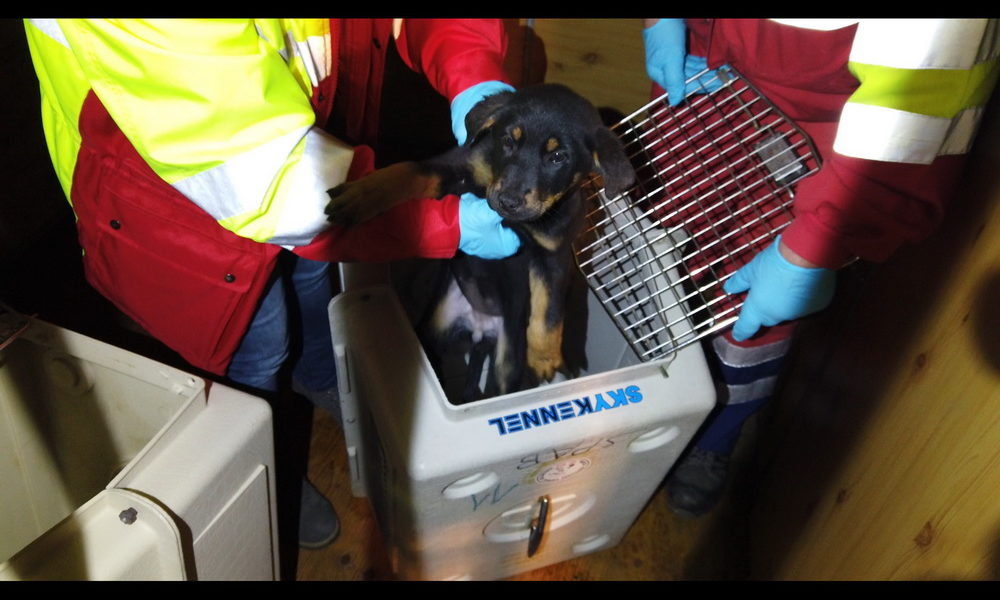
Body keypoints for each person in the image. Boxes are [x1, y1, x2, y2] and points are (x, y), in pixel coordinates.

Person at [23, 18, 520, 550]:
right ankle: (261, 459)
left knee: (313, 283)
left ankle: (320, 376)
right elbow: (274, 185)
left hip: (301, 132)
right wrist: (444, 224)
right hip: (180, 188)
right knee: (256, 342)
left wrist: (473, 73)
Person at [643, 18, 1000, 517]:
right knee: (664, 242)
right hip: (704, 78)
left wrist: (811, 246)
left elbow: (911, 114)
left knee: (754, 315)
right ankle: (651, 398)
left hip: (819, 145)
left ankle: (716, 435)